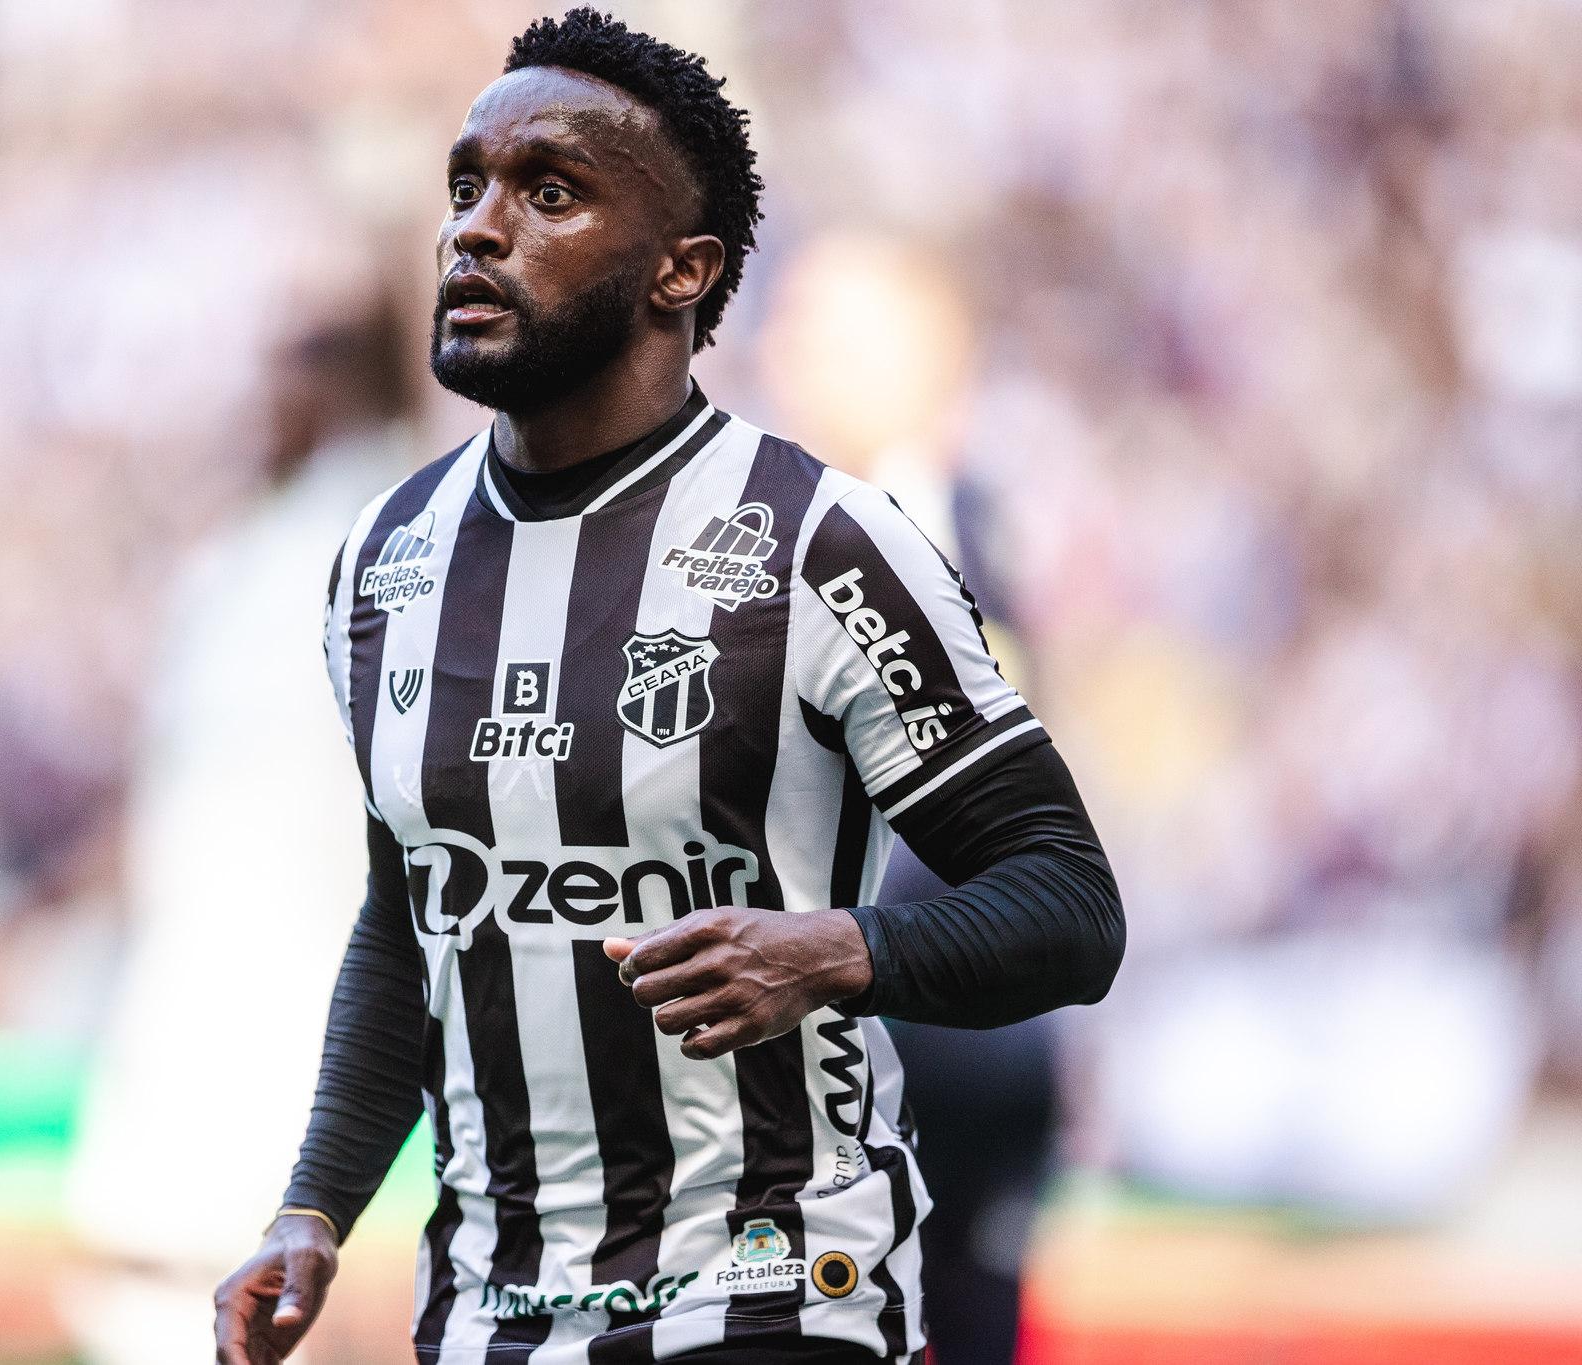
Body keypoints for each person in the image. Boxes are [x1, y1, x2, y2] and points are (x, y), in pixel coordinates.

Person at [214, 10, 1124, 1363]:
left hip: (775, 1294)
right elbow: (412, 918)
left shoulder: (823, 546)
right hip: (491, 1314)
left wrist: (833, 952)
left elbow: (1068, 901)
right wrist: (315, 1204)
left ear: (680, 271)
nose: (477, 229)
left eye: (549, 193)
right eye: (466, 186)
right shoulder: (385, 561)